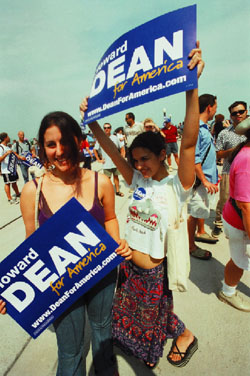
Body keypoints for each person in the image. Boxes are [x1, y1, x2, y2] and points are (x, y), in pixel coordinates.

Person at [80, 41, 204, 369]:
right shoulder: (137, 179)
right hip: (127, 266)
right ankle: (178, 334)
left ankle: (185, 335)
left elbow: (189, 141)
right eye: (135, 160)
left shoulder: (177, 185)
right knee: (128, 314)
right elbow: (109, 148)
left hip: (153, 274)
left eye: (145, 159)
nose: (139, 166)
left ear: (163, 154)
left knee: (152, 321)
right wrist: (91, 121)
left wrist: (192, 87)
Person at [0, 112, 131, 376]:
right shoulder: (31, 190)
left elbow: (111, 218)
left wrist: (118, 243)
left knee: (103, 335)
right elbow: (31, 246)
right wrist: (9, 291)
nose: (59, 151)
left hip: (102, 275)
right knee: (70, 354)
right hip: (59, 284)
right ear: (42, 147)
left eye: (65, 142)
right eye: (51, 145)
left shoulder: (100, 182)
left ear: (78, 140)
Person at [218, 117, 250, 312]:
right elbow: (245, 206)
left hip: (239, 218)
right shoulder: (247, 160)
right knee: (239, 260)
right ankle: (227, 292)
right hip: (241, 222)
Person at [187, 94, 219, 260]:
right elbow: (195, 158)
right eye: (215, 106)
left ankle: (197, 235)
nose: (215, 110)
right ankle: (190, 246)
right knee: (194, 213)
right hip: (201, 181)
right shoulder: (198, 128)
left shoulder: (204, 128)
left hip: (205, 179)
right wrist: (205, 180)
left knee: (199, 211)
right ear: (209, 107)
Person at [211, 102, 248, 238]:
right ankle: (218, 223)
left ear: (246, 111)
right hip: (229, 172)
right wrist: (233, 151)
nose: (238, 115)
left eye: (241, 111)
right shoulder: (225, 133)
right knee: (225, 200)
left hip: (247, 172)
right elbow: (217, 153)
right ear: (230, 116)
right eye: (234, 113)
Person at [94, 123, 125, 197]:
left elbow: (122, 148)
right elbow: (95, 150)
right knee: (107, 179)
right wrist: (99, 159)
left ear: (110, 128)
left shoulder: (115, 138)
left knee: (116, 177)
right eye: (105, 128)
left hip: (115, 162)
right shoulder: (100, 139)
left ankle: (117, 191)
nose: (106, 129)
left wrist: (122, 157)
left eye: (108, 127)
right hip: (106, 163)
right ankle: (106, 194)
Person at [0, 132, 21, 204]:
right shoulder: (1, 147)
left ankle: (18, 194)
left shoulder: (8, 147)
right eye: (8, 136)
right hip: (6, 170)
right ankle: (9, 198)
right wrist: (6, 153)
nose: (9, 138)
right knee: (7, 183)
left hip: (12, 168)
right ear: (5, 138)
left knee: (14, 182)